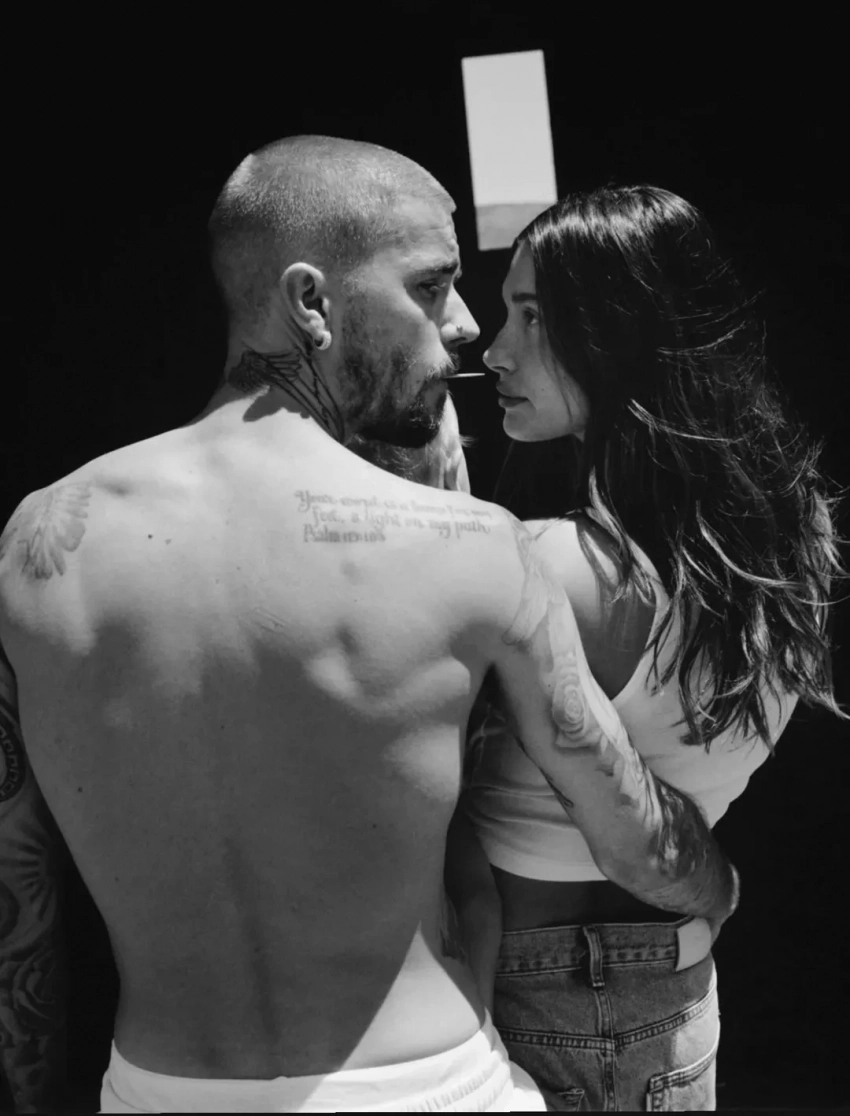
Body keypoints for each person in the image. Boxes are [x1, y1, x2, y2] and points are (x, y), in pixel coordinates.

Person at [0, 143, 740, 1115]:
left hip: (156, 1087)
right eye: (431, 286)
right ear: (310, 302)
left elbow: (19, 893)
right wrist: (721, 886)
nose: (465, 325)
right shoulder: (470, 544)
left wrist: (29, 1089)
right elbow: (636, 840)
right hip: (428, 1084)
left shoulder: (41, 540)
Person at [432, 185, 844, 1111]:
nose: (494, 351)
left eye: (533, 317)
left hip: (537, 989)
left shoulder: (550, 566)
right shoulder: (797, 531)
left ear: (619, 330)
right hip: (677, 989)